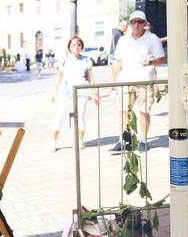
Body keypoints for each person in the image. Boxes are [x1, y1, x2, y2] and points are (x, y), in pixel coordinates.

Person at [109, 10, 166, 153]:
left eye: (139, 22)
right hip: (125, 81)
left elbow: (161, 59)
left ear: (144, 24)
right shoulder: (123, 40)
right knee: (122, 111)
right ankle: (123, 140)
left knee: (143, 112)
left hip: (145, 82)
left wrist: (150, 62)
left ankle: (143, 140)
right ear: (129, 24)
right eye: (133, 22)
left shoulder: (152, 39)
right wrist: (111, 79)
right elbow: (118, 61)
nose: (136, 25)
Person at [50, 36, 98, 152]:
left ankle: (79, 141)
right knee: (60, 116)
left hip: (82, 92)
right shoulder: (64, 59)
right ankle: (53, 142)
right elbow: (59, 76)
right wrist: (54, 92)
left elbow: (91, 78)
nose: (76, 47)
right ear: (69, 47)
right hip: (66, 92)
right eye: (74, 45)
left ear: (82, 47)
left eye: (79, 45)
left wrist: (95, 93)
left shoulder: (86, 60)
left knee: (80, 117)